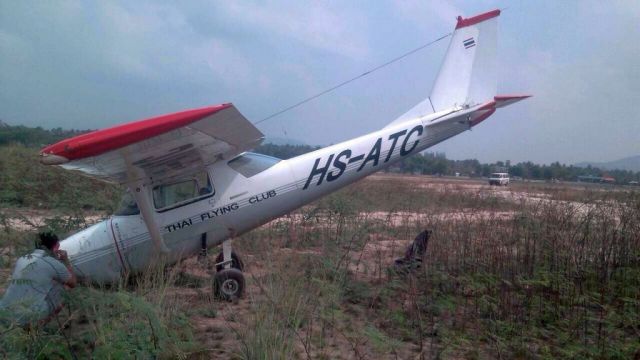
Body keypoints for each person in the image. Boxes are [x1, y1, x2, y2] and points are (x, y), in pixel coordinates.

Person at [0, 232, 76, 327]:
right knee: (66, 289)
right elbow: (73, 283)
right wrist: (66, 261)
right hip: (25, 316)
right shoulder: (52, 263)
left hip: (3, 312)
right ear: (55, 247)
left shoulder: (22, 258)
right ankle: (34, 329)